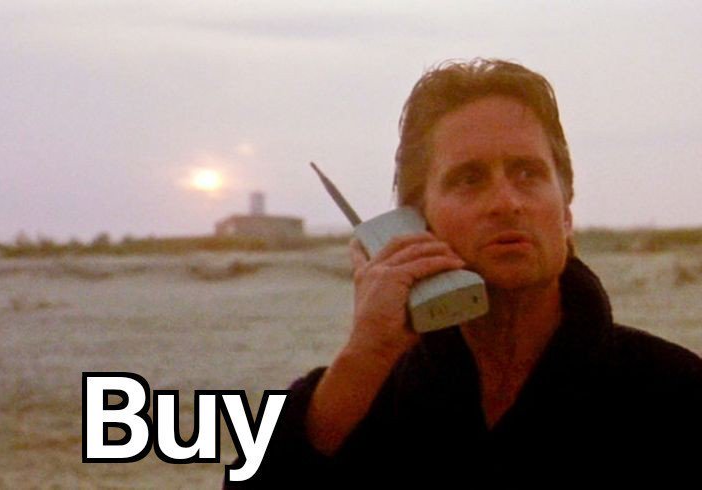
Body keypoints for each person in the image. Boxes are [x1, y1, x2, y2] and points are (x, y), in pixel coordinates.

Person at [225, 59, 702, 488]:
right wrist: (364, 357)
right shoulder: (358, 399)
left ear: (565, 211)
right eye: (469, 179)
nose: (506, 203)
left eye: (528, 173)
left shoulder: (672, 390)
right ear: (416, 222)